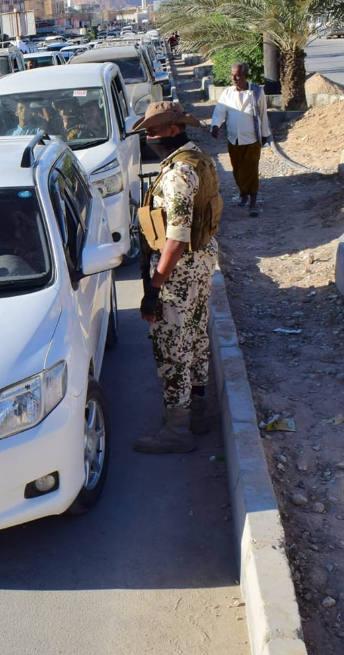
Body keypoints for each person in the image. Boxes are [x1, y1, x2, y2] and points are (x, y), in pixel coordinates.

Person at [131, 102, 222, 454]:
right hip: (201, 262)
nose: (149, 138)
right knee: (197, 337)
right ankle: (198, 413)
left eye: (153, 131)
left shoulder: (177, 174)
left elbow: (177, 236)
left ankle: (176, 430)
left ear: (173, 129)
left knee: (172, 348)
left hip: (178, 271)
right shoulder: (198, 157)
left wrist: (154, 287)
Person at [210, 62, 269, 217]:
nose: (234, 78)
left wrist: (264, 134)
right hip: (233, 139)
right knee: (237, 170)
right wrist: (215, 126)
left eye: (238, 75)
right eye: (232, 75)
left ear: (246, 76)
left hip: (252, 139)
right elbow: (219, 112)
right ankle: (243, 194)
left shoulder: (256, 92)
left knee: (251, 170)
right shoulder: (227, 93)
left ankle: (253, 203)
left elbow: (263, 114)